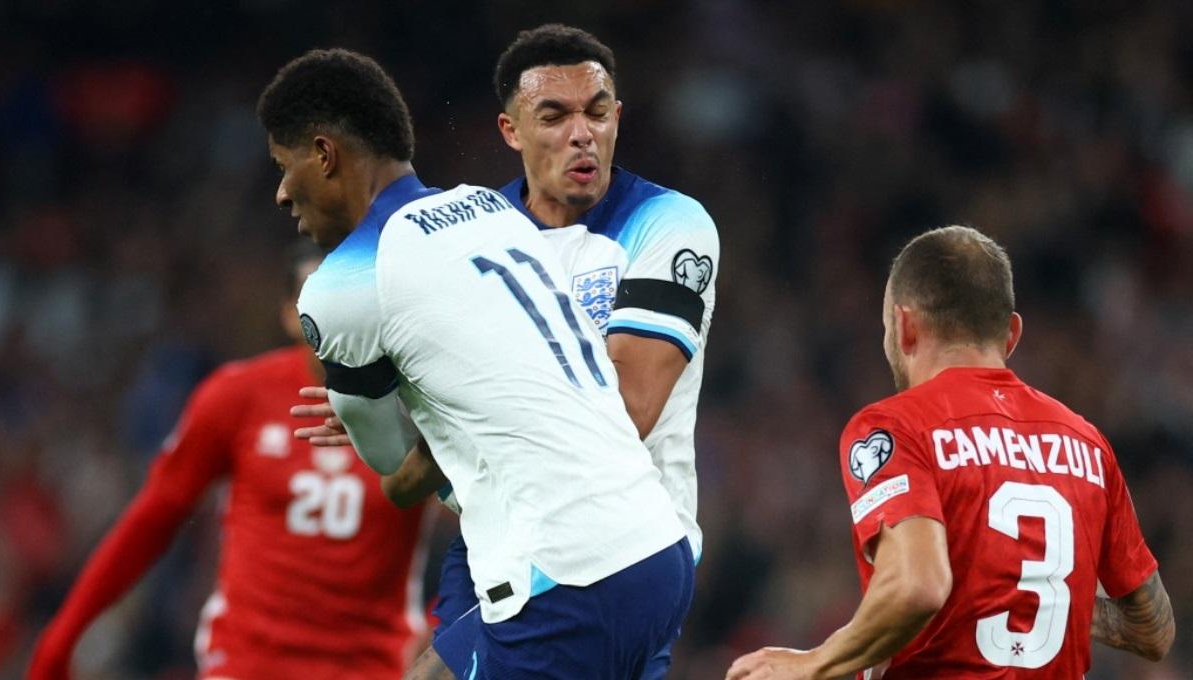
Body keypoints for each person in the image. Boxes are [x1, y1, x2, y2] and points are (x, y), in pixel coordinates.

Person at [260, 48, 693, 679]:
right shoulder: (493, 212)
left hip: (564, 580)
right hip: (655, 547)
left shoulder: (342, 286)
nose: (279, 193)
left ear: (324, 155)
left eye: (282, 165)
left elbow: (393, 471)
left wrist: (392, 419)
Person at [727, 225, 1174, 679]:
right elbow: (1153, 629)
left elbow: (917, 588)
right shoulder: (1086, 443)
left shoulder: (895, 426)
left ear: (903, 326)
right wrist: (1028, 591)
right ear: (1011, 334)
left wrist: (812, 664)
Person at [27, 243, 430, 680]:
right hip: (246, 664)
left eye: (344, 299)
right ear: (288, 316)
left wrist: (440, 630)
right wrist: (63, 635)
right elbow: (152, 519)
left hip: (372, 670)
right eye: (313, 299)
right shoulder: (238, 397)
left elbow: (484, 529)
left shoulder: (421, 408)